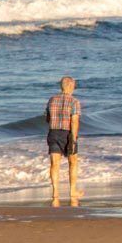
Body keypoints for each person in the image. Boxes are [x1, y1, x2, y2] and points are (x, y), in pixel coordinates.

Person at [45, 76, 82, 207]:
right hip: (67, 133)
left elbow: (47, 118)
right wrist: (74, 138)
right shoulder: (74, 101)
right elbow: (75, 121)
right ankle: (72, 191)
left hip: (53, 132)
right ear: (71, 87)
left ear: (61, 86)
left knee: (55, 164)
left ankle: (55, 193)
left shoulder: (51, 100)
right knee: (73, 162)